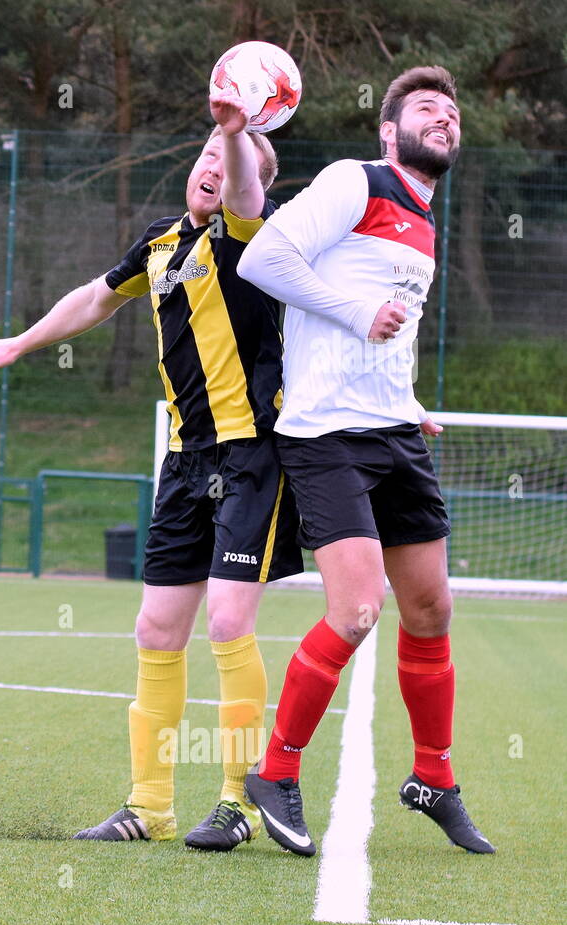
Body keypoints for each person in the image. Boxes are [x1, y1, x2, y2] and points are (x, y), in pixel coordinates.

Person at [0, 88, 302, 851]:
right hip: (183, 461)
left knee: (227, 619)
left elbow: (246, 188)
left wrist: (238, 131)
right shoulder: (159, 244)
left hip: (251, 457)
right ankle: (148, 806)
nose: (215, 165)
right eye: (207, 154)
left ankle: (238, 803)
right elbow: (93, 298)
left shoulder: (255, 236)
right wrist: (18, 343)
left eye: (231, 158)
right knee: (155, 626)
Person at [237, 66, 494, 854]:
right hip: (326, 436)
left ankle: (433, 777)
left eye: (452, 113)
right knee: (354, 611)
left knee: (432, 610)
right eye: (427, 109)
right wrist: (356, 312)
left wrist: (408, 397)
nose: (444, 119)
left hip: (394, 433)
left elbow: (392, 326)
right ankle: (275, 771)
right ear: (390, 130)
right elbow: (264, 261)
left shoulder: (423, 220)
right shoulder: (358, 180)